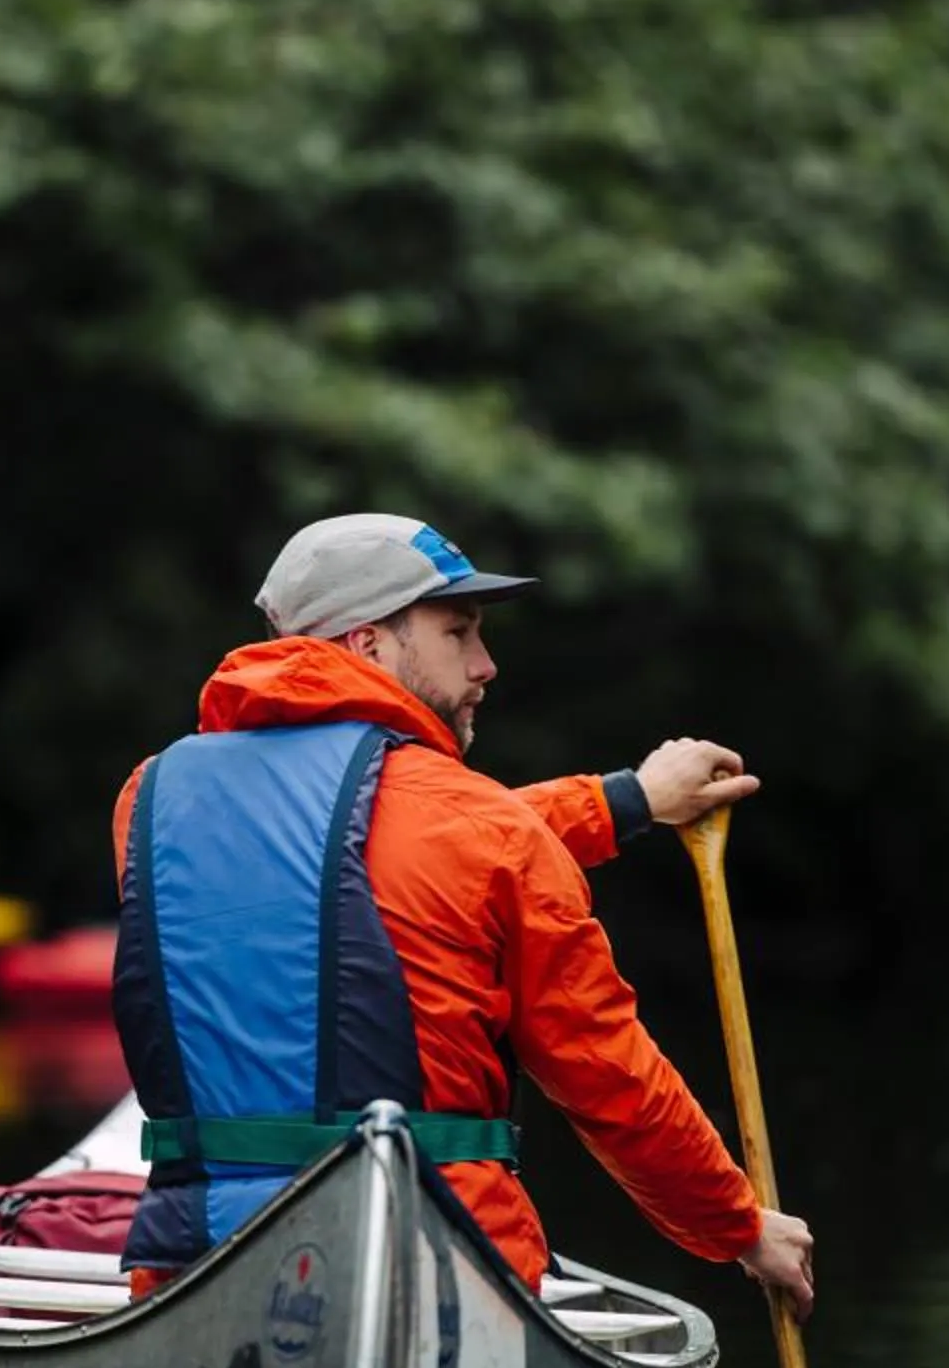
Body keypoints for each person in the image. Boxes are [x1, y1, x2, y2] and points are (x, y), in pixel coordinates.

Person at [108, 511, 817, 1316]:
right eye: (458, 633)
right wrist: (735, 1226)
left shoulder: (151, 799)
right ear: (369, 643)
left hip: (192, 1264)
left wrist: (627, 803)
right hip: (445, 1266)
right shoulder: (478, 830)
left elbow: (384, 854)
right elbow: (609, 1079)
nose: (486, 666)